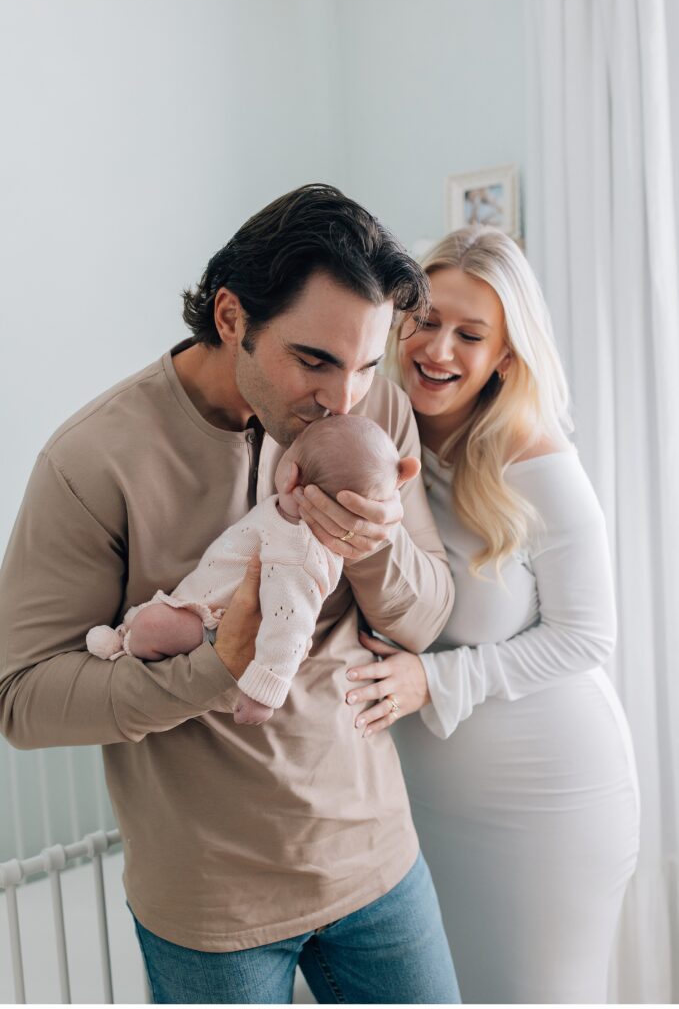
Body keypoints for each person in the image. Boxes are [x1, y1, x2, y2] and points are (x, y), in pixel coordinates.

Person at [0, 184, 460, 1004]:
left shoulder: (373, 411)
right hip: (210, 908)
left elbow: (424, 617)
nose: (340, 399)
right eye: (312, 360)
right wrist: (217, 665)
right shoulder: (93, 460)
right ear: (228, 317)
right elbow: (22, 699)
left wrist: (373, 542)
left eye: (362, 365)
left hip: (378, 864)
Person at [343, 226, 640, 1002]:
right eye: (426, 321)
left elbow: (585, 637)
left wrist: (432, 683)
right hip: (420, 802)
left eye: (469, 335)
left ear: (504, 357)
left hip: (548, 803)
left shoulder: (531, 457)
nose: (437, 349)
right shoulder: (370, 433)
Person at [86, 416, 401, 727]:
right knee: (155, 619)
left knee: (153, 626)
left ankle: (126, 644)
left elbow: (289, 629)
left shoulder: (299, 556)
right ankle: (128, 635)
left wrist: (263, 695)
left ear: (291, 474)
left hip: (218, 625)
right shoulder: (286, 515)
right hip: (207, 604)